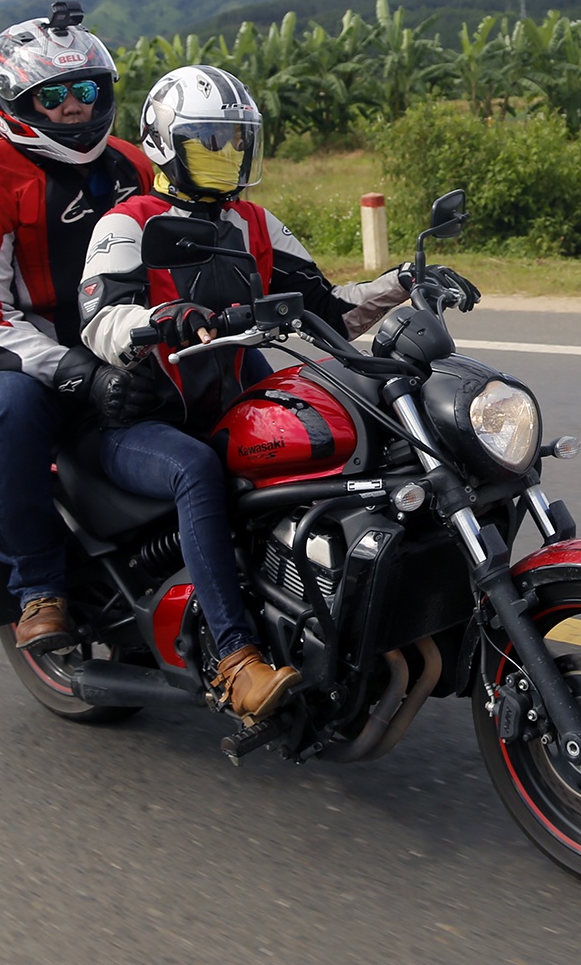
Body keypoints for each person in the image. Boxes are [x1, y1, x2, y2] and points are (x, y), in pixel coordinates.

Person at [77, 65, 409, 721]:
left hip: (223, 403)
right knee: (196, 468)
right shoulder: (129, 222)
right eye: (210, 141)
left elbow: (329, 310)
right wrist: (158, 319)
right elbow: (99, 321)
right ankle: (237, 660)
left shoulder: (254, 223)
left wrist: (403, 282)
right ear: (168, 144)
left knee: (345, 416)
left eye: (236, 141)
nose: (228, 155)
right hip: (138, 421)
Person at [0, 2, 152, 654]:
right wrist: (76, 371)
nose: (73, 108)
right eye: (51, 96)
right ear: (13, 100)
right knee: (13, 410)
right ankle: (38, 588)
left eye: (85, 90)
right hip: (15, 355)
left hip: (118, 337)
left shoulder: (130, 166)